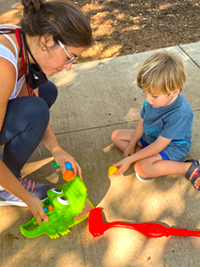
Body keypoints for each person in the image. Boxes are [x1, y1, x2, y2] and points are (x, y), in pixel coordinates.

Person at [0, 0, 93, 224]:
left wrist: (56, 149)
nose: (69, 65)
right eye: (70, 56)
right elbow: (34, 111)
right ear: (47, 40)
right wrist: (27, 197)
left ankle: (8, 176)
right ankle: (5, 188)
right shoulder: (3, 67)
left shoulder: (24, 41)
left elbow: (31, 100)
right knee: (37, 109)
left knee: (46, 93)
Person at [111, 51, 200, 191]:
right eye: (144, 93)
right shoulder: (153, 99)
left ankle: (187, 168)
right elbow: (142, 121)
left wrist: (130, 159)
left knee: (140, 168)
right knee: (116, 136)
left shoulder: (179, 112)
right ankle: (151, 160)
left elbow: (160, 144)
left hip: (173, 146)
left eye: (153, 95)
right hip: (152, 138)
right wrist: (132, 144)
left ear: (174, 92)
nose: (147, 99)